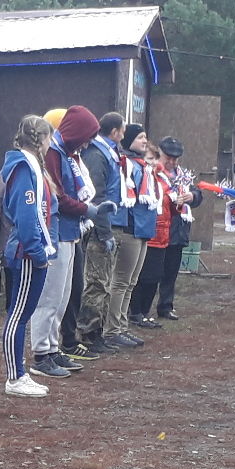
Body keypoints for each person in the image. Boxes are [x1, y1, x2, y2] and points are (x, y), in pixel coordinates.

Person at [30, 107, 104, 379]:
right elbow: (57, 197)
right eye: (86, 137)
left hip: (70, 233)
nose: (87, 144)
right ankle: (41, 353)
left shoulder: (65, 154)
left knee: (61, 298)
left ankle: (52, 348)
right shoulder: (54, 154)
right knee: (49, 298)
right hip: (57, 233)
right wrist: (87, 210)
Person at [0, 116, 57, 398]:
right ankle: (15, 376)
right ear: (41, 139)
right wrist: (37, 252)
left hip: (31, 250)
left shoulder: (31, 166)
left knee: (23, 313)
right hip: (26, 253)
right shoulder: (24, 168)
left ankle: (19, 373)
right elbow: (25, 214)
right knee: (18, 315)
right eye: (49, 138)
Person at [130, 137, 199, 325]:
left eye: (176, 159)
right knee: (145, 274)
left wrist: (189, 197)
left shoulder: (182, 176)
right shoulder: (149, 174)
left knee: (166, 273)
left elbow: (192, 196)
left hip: (174, 230)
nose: (172, 162)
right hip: (152, 231)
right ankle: (137, 312)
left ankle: (162, 307)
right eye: (168, 158)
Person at [75, 110, 123, 353]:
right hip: (97, 227)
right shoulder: (96, 154)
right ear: (114, 131)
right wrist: (104, 232)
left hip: (104, 224)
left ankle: (98, 331)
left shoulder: (106, 153)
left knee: (104, 282)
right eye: (122, 130)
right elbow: (97, 196)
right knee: (97, 282)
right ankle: (88, 332)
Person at [104, 123, 157, 344]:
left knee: (131, 282)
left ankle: (122, 326)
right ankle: (112, 329)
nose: (145, 141)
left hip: (143, 229)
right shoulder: (125, 165)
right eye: (140, 137)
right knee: (121, 281)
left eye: (145, 137)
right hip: (129, 228)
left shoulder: (143, 166)